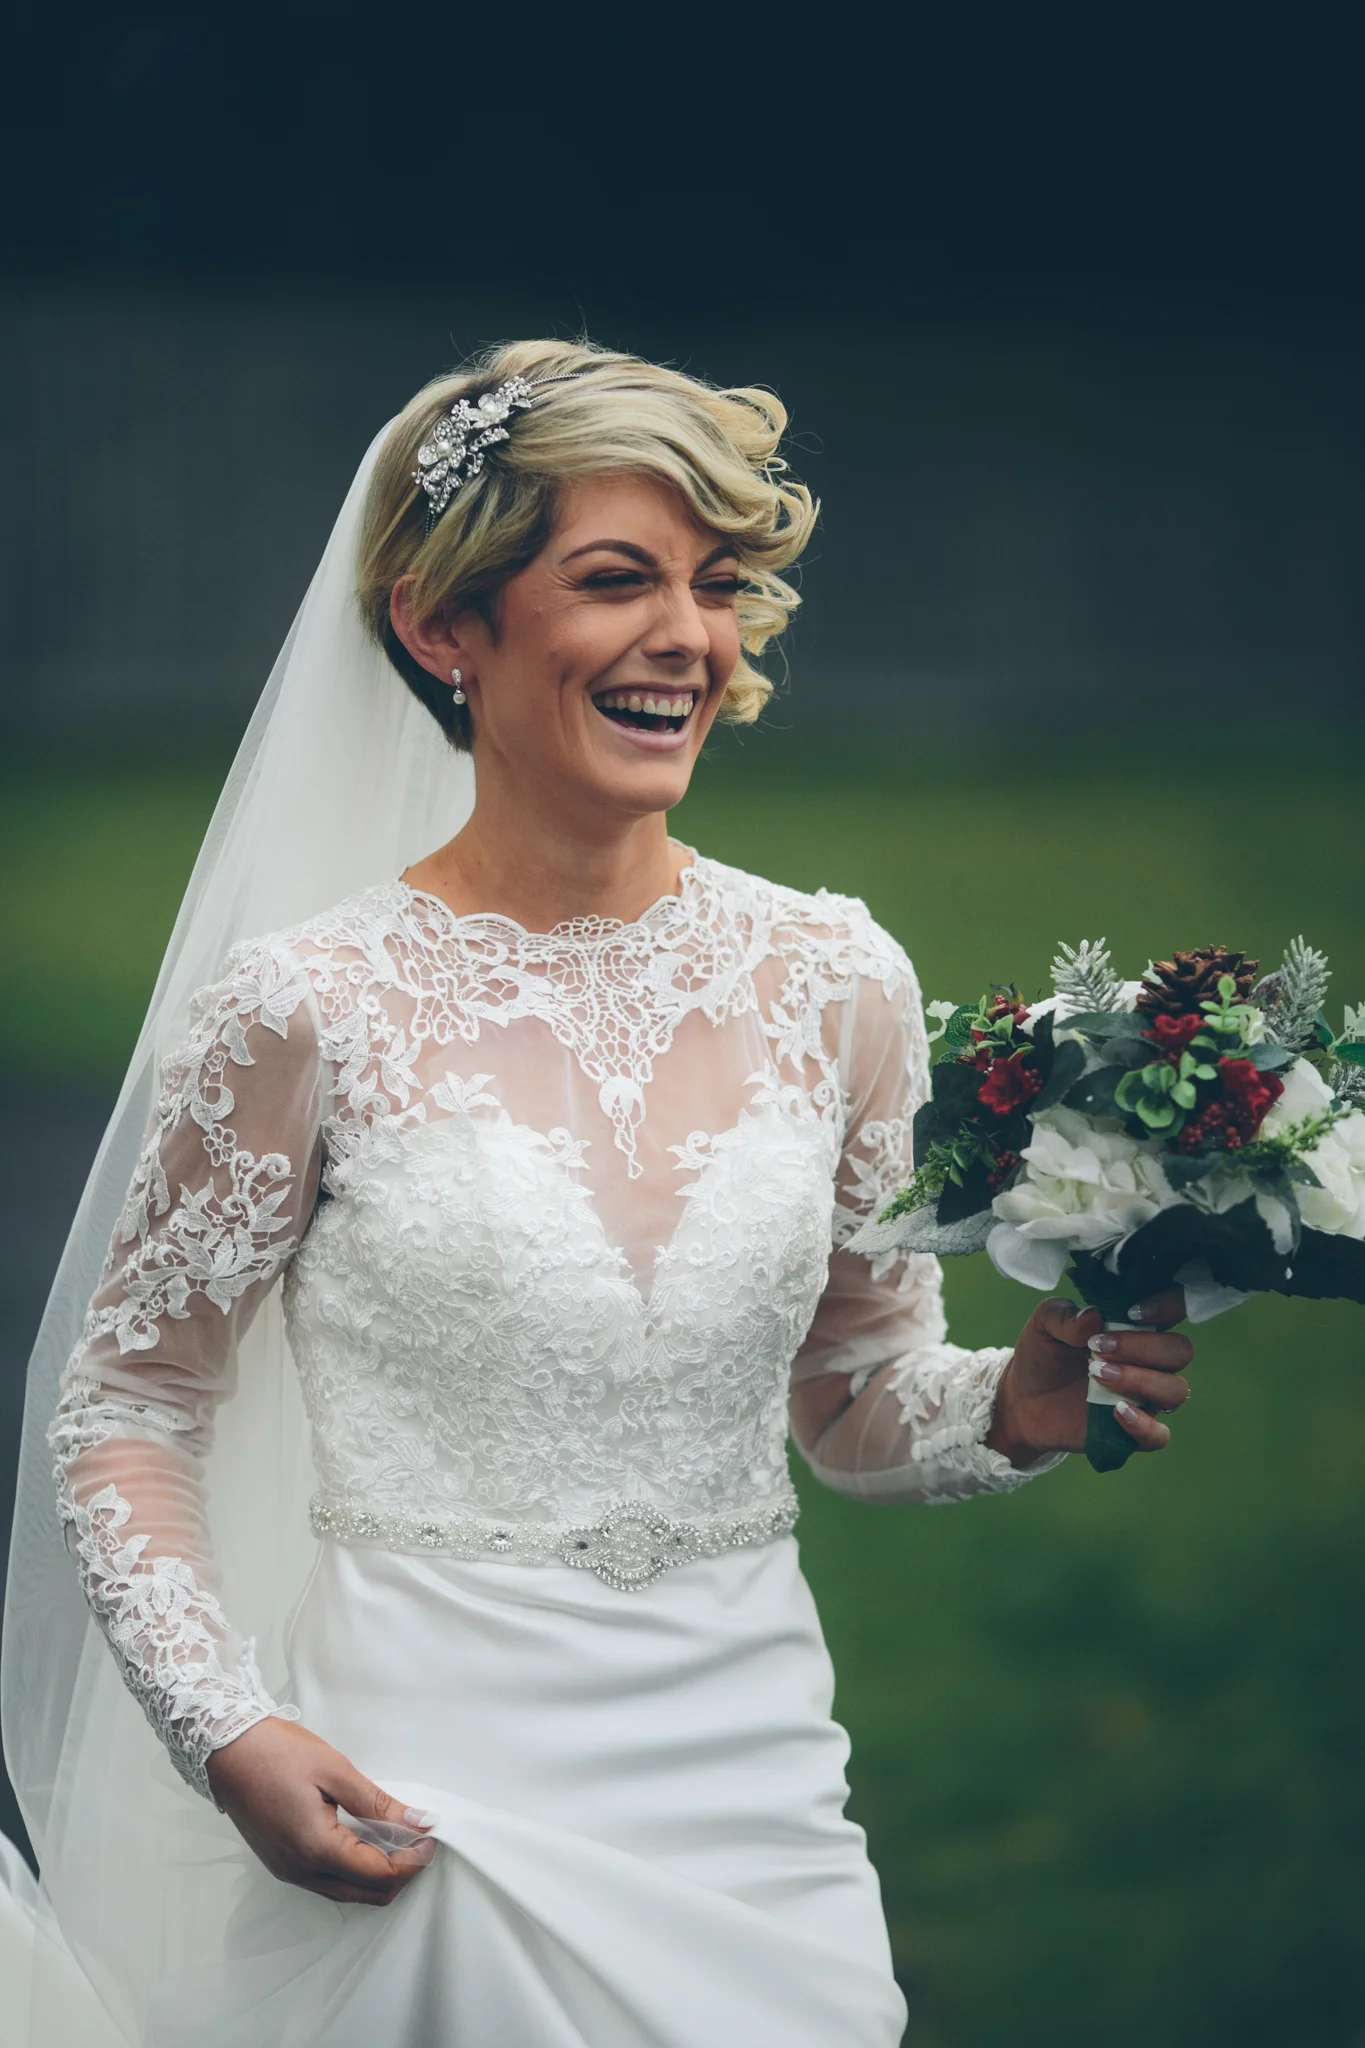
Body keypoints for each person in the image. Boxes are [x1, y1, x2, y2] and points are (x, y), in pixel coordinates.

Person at [3, 341, 1194, 2046]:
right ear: (443, 628)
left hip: (752, 1801)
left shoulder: (833, 977)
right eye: (616, 580)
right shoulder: (307, 1008)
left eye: (715, 588)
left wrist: (1014, 1400)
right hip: (420, 1796)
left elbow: (853, 1394)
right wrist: (228, 1731)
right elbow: (129, 1401)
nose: (686, 640)